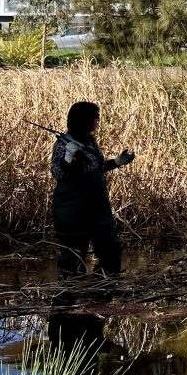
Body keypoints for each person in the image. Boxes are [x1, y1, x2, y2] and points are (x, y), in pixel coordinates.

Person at [51, 101, 136, 279]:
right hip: (73, 209)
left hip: (97, 207)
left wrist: (117, 162)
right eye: (95, 117)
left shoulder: (90, 141)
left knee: (111, 251)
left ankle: (101, 296)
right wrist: (68, 156)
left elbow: (94, 167)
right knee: (72, 259)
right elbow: (58, 172)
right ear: (84, 120)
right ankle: (68, 301)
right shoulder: (63, 144)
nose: (98, 121)